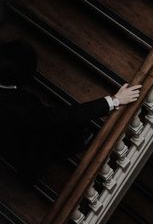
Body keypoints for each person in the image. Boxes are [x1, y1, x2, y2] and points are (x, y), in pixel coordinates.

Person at [0, 40, 142, 182]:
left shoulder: (15, 100)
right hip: (28, 147)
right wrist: (115, 100)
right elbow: (61, 117)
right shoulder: (21, 105)